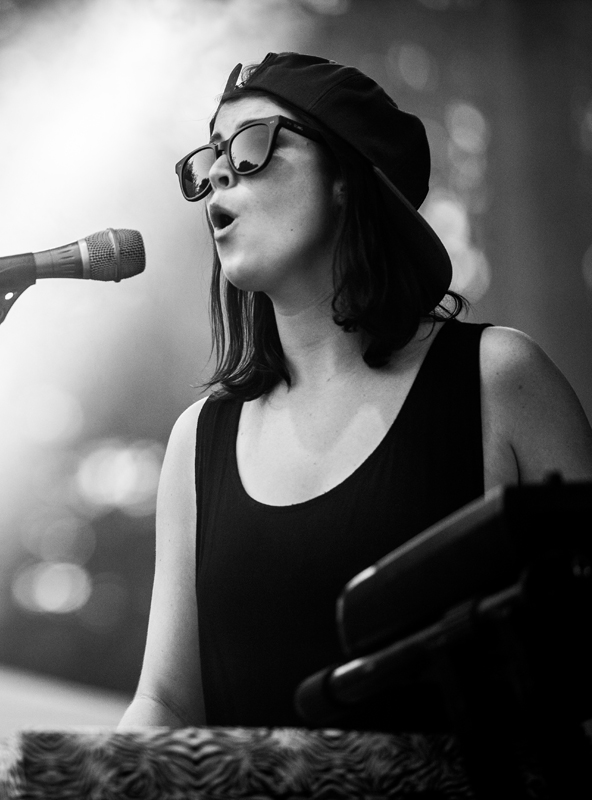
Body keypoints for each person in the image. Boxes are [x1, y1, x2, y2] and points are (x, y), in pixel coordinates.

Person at [120, 52, 592, 731]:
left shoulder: (500, 377)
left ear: (345, 175)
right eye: (210, 158)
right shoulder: (199, 441)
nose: (219, 171)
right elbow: (164, 702)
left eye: (251, 147)